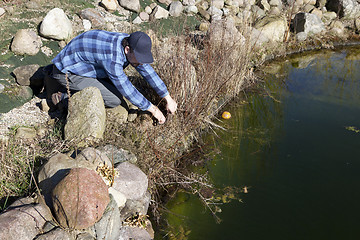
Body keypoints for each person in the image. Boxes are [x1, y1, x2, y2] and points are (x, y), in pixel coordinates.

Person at [46, 30, 177, 124]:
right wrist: (153, 109)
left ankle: (52, 75)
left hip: (82, 64)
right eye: (139, 58)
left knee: (114, 85)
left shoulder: (129, 41)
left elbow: (147, 70)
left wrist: (167, 97)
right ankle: (62, 97)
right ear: (127, 50)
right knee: (113, 99)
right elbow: (126, 88)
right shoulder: (113, 58)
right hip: (67, 72)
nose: (141, 62)